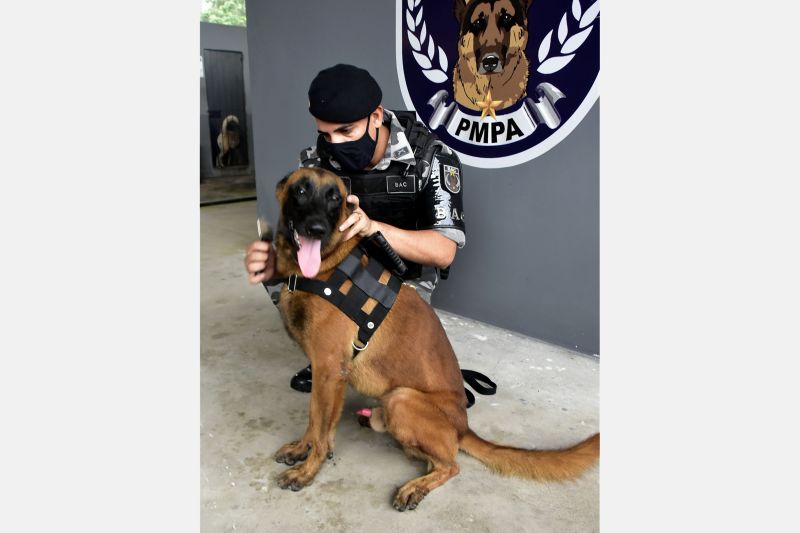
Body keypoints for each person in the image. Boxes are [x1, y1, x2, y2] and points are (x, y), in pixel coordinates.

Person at [244, 63, 466, 393]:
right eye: (326, 134)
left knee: (393, 360)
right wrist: (276, 258)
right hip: (343, 265)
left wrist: (373, 227)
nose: (334, 143)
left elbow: (444, 251)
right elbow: (301, 227)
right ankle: (325, 351)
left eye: (346, 132)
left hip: (402, 277)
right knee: (277, 270)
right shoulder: (317, 160)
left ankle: (373, 359)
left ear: (376, 116)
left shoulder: (430, 157)